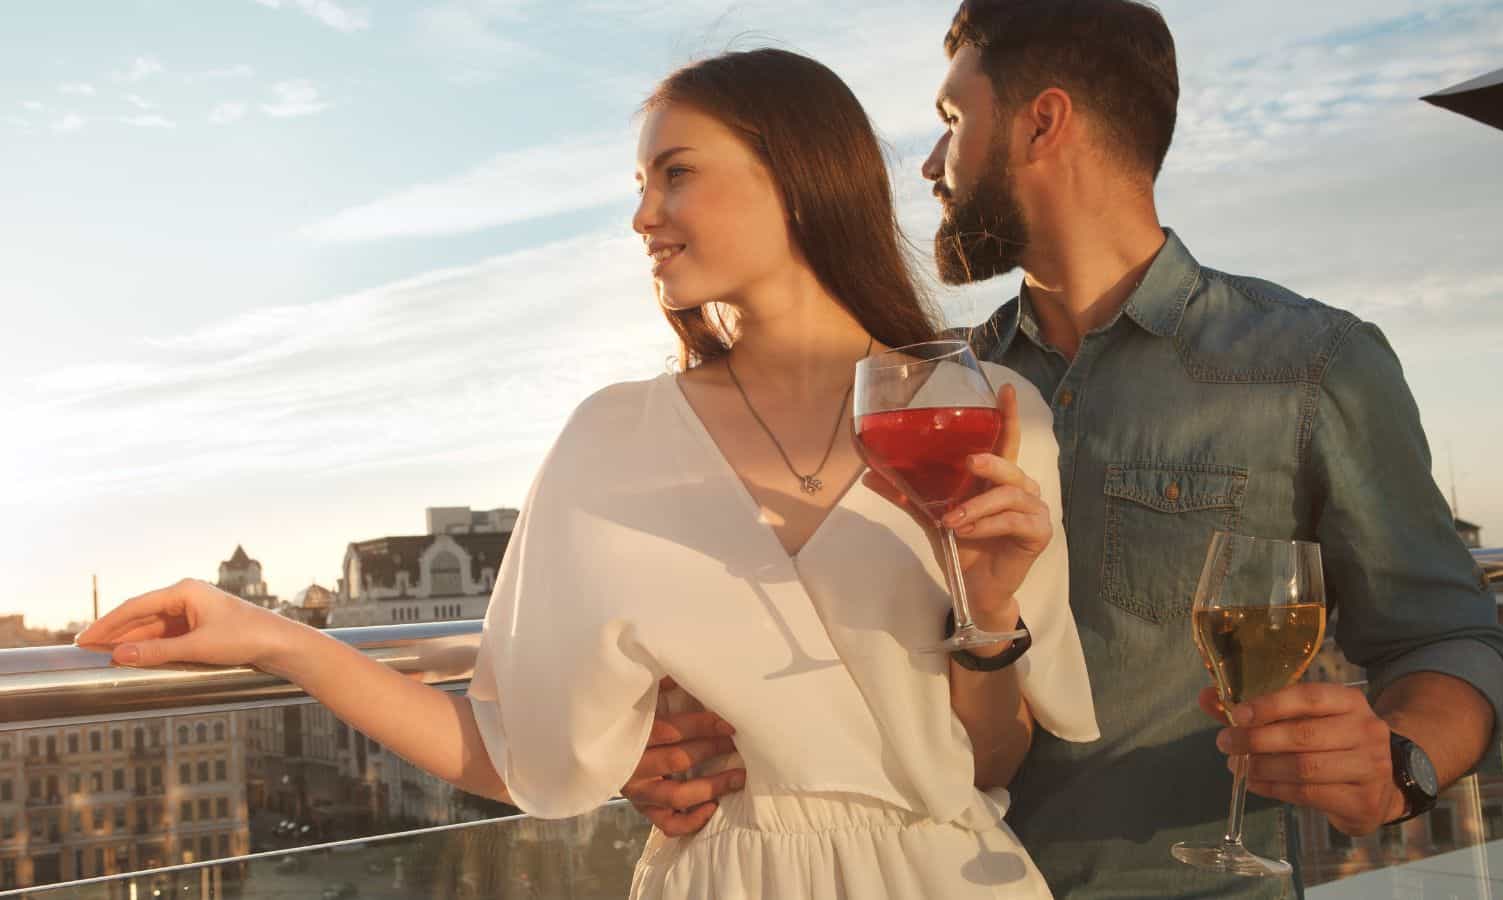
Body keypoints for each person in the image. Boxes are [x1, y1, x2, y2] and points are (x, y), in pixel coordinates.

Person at [75, 48, 1099, 899]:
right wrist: (268, 635)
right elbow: (513, 748)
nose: (642, 216)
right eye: (640, 186)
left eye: (675, 174)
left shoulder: (982, 413)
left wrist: (989, 603)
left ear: (796, 173)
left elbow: (986, 766)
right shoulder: (609, 440)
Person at [629, 2, 1503, 897]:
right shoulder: (922, 390)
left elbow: (1445, 636)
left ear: (1042, 121)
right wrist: (684, 740)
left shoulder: (1310, 367)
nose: (931, 165)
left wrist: (1398, 766)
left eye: (951, 123)